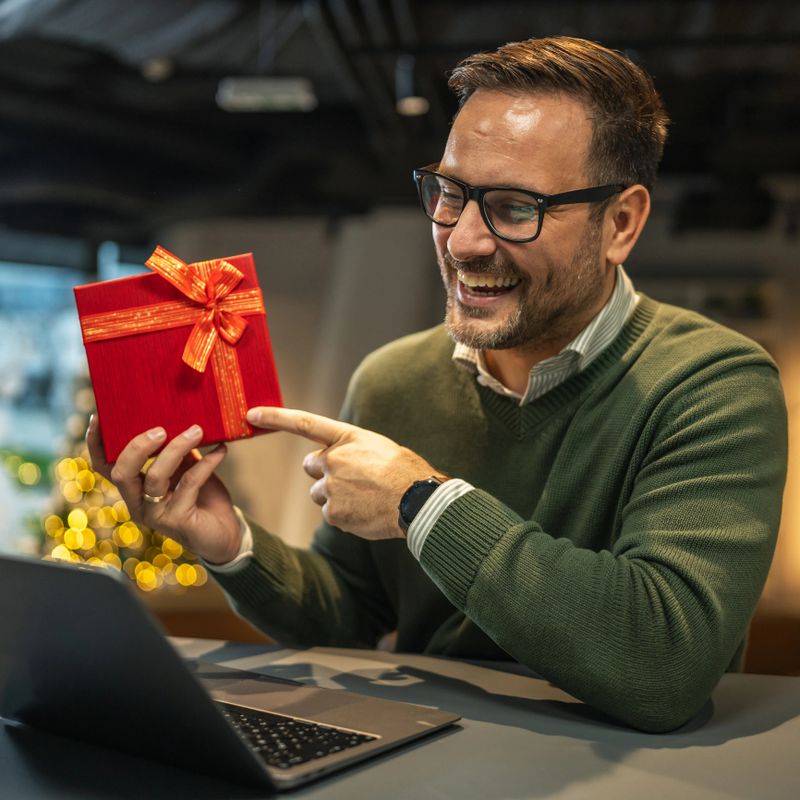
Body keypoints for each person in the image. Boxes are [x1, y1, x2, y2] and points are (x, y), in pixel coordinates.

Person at [86, 36, 788, 733]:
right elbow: (349, 618)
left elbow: (663, 663)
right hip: (428, 760)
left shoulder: (714, 386)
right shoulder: (395, 380)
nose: (462, 240)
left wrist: (422, 504)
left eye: (515, 207)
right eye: (450, 194)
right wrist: (228, 540)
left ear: (621, 223)